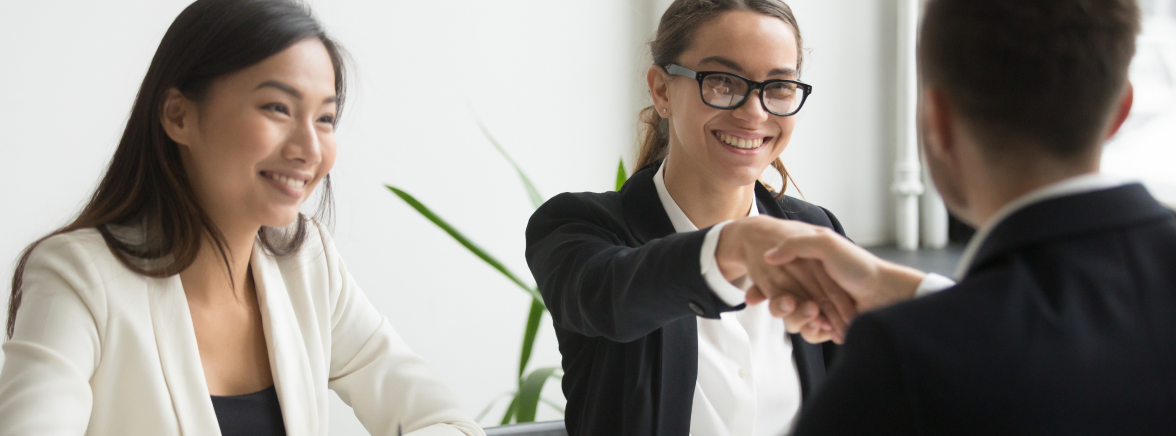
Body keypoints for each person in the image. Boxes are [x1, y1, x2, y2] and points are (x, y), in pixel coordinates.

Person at [0, 1, 482, 435]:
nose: (309, 149)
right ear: (178, 116)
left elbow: (446, 423)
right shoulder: (79, 277)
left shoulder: (307, 265)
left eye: (325, 119)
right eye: (277, 107)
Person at [754, 0, 1176, 434]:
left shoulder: (903, 366)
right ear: (1121, 108)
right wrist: (923, 297)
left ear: (937, 120)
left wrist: (927, 320)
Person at [525, 0, 928, 434]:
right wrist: (731, 248)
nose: (754, 111)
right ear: (662, 91)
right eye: (721, 81)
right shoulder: (578, 226)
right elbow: (610, 298)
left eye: (778, 87)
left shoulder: (816, 231)